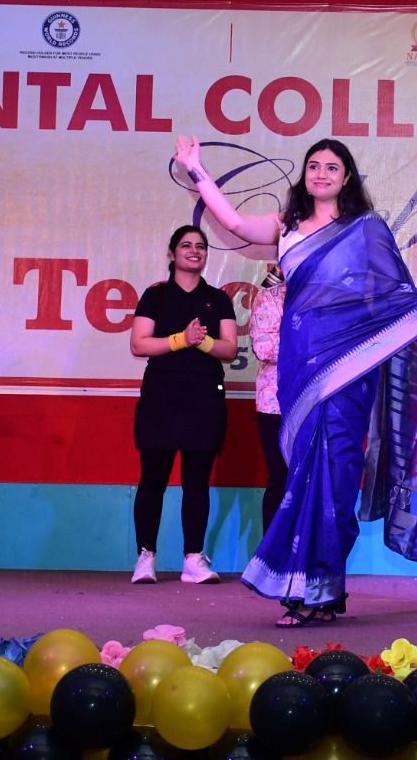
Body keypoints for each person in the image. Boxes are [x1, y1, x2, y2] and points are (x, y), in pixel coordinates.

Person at [173, 135, 417, 626]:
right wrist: (196, 168)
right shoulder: (285, 226)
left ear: (347, 177)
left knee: (337, 478)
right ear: (304, 175)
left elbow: (397, 297)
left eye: (331, 167)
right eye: (314, 165)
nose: (321, 173)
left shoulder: (365, 230)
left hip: (347, 372)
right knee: (303, 475)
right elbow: (235, 222)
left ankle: (321, 588)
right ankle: (309, 590)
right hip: (301, 365)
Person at [127, 225, 239, 585]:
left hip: (204, 396)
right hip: (161, 395)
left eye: (200, 246)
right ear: (172, 253)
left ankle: (193, 560)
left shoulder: (218, 299)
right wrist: (180, 339)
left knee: (197, 483)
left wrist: (201, 342)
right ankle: (145, 557)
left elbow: (229, 348)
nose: (194, 251)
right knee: (152, 480)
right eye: (187, 245)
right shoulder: (155, 296)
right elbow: (139, 344)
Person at [249, 262, 288, 535]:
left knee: (314, 478)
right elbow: (264, 348)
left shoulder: (327, 297)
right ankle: (272, 554)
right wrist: (311, 347)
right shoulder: (270, 298)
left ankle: (306, 552)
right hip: (275, 402)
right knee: (280, 476)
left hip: (319, 400)